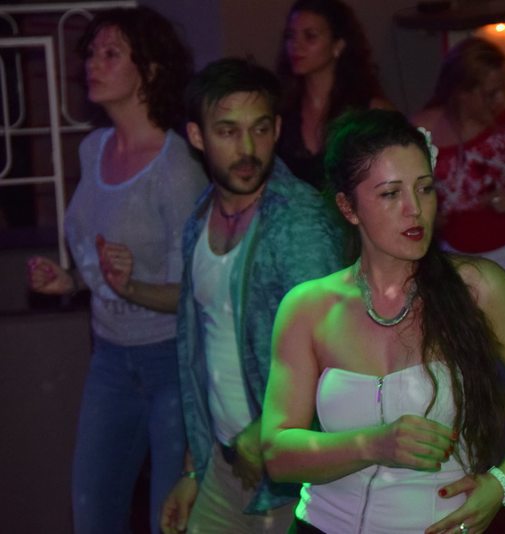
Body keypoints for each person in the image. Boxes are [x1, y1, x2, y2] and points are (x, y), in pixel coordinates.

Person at [260, 109, 505, 534]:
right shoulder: (308, 306)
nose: (415, 209)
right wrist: (373, 443)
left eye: (424, 188)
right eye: (390, 194)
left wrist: (503, 482)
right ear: (348, 207)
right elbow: (277, 454)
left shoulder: (477, 288)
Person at [26, 7, 206, 533]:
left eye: (111, 54)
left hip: (170, 361)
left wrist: (131, 287)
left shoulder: (176, 166)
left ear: (149, 69)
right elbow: (100, 261)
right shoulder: (92, 149)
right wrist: (71, 281)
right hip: (108, 359)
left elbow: (194, 292)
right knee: (93, 514)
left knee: (169, 519)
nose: (93, 64)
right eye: (91, 54)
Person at [158, 58, 344, 534]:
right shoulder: (198, 220)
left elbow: (336, 346)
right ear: (197, 137)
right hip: (225, 465)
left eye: (259, 129)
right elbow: (200, 357)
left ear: (277, 129)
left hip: (289, 475)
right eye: (227, 131)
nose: (247, 149)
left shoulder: (299, 221)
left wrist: (265, 432)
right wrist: (193, 471)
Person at [412, 37, 505, 283]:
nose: (500, 100)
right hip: (453, 257)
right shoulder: (421, 132)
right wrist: (426, 216)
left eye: (503, 90)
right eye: (490, 94)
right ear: (461, 92)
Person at [275, 0, 393, 190]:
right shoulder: (282, 108)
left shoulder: (370, 111)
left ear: (338, 45)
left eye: (310, 36)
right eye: (290, 36)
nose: (296, 45)